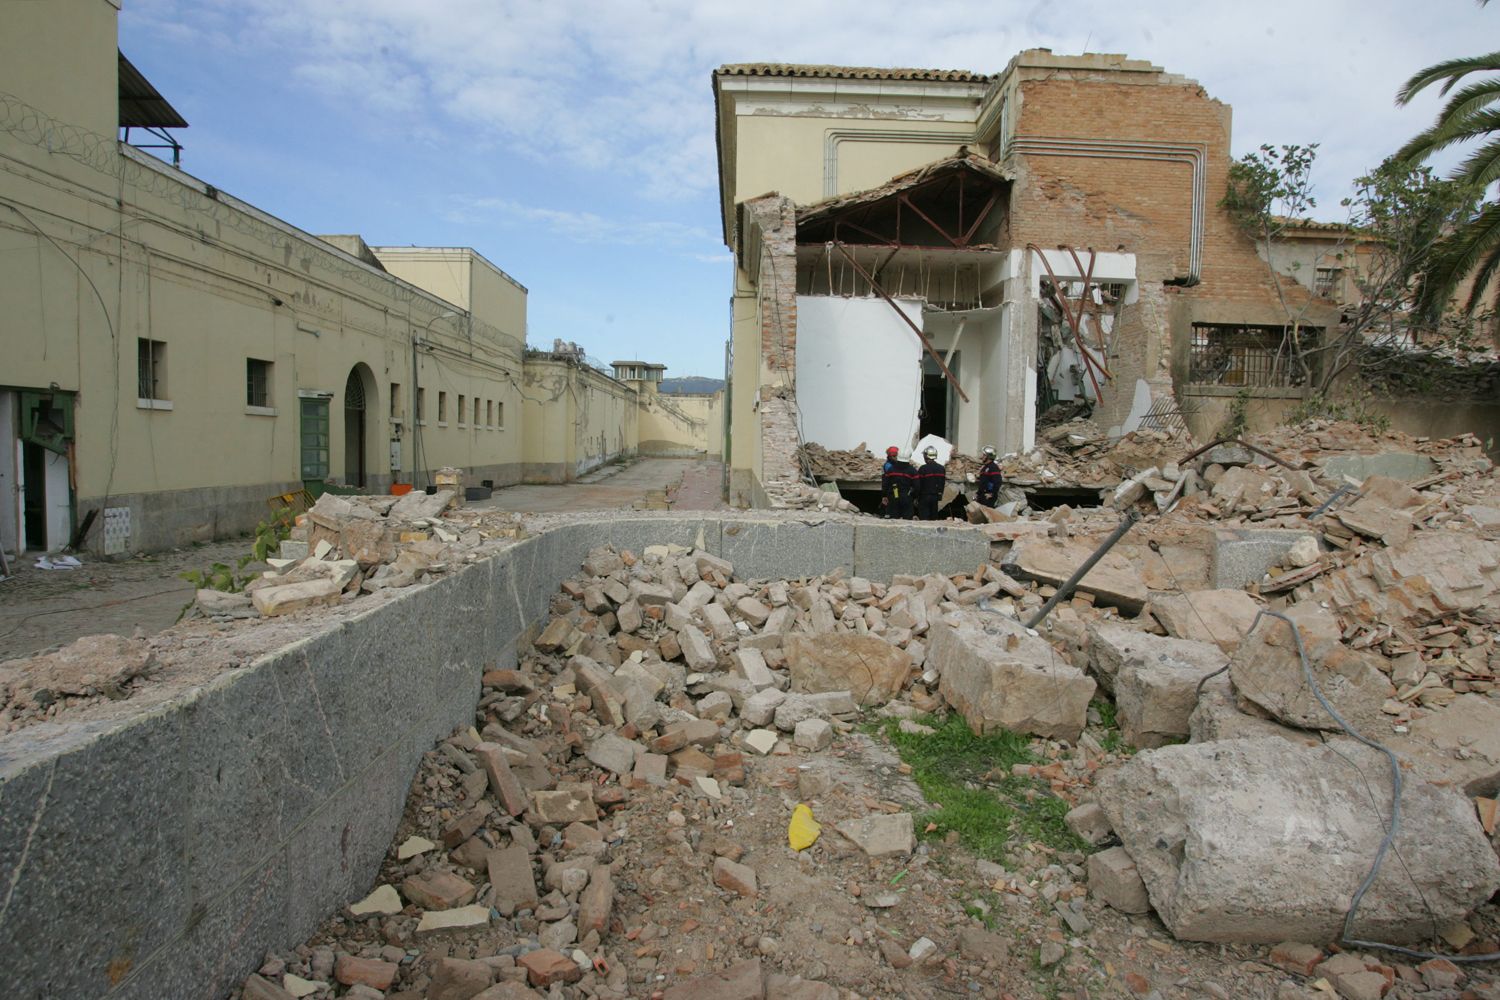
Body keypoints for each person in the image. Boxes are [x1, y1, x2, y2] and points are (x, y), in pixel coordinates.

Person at [917, 446, 946, 520]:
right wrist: (940, 494)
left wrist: (916, 497)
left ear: (926, 456)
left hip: (924, 497)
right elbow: (942, 483)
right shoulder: (941, 468)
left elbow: (918, 484)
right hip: (935, 497)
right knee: (934, 518)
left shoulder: (923, 469)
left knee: (924, 518)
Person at [889, 449, 916, 519]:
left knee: (894, 518)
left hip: (894, 496)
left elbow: (886, 483)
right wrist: (914, 497)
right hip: (907, 497)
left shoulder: (891, 469)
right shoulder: (912, 470)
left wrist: (885, 495)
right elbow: (917, 486)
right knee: (907, 519)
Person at [879, 446, 900, 517]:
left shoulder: (893, 464)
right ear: (889, 456)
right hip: (890, 489)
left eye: (896, 456)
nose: (895, 458)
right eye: (893, 456)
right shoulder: (888, 465)